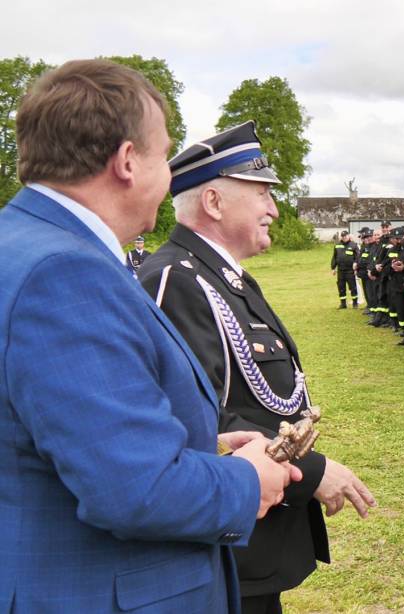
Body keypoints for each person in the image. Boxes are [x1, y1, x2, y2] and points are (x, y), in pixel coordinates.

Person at [0, 58, 298, 613]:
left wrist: (200, 448)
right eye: (164, 155)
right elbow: (133, 490)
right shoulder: (64, 272)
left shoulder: (27, 244)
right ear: (128, 162)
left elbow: (61, 431)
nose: (169, 176)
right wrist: (244, 481)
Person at [139, 121, 376, 614]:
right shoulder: (175, 280)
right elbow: (187, 417)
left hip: (253, 528)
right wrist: (308, 472)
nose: (273, 208)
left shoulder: (227, 278)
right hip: (220, 536)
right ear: (214, 202)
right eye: (262, 194)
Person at [330, 230, 360, 309]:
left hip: (350, 270)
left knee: (352, 287)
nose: (344, 238)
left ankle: (355, 303)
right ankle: (343, 304)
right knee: (341, 287)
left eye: (345, 236)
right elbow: (334, 257)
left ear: (348, 236)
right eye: (343, 236)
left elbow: (358, 256)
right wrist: (333, 268)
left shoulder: (353, 245)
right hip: (340, 270)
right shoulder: (337, 245)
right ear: (341, 237)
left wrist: (356, 263)